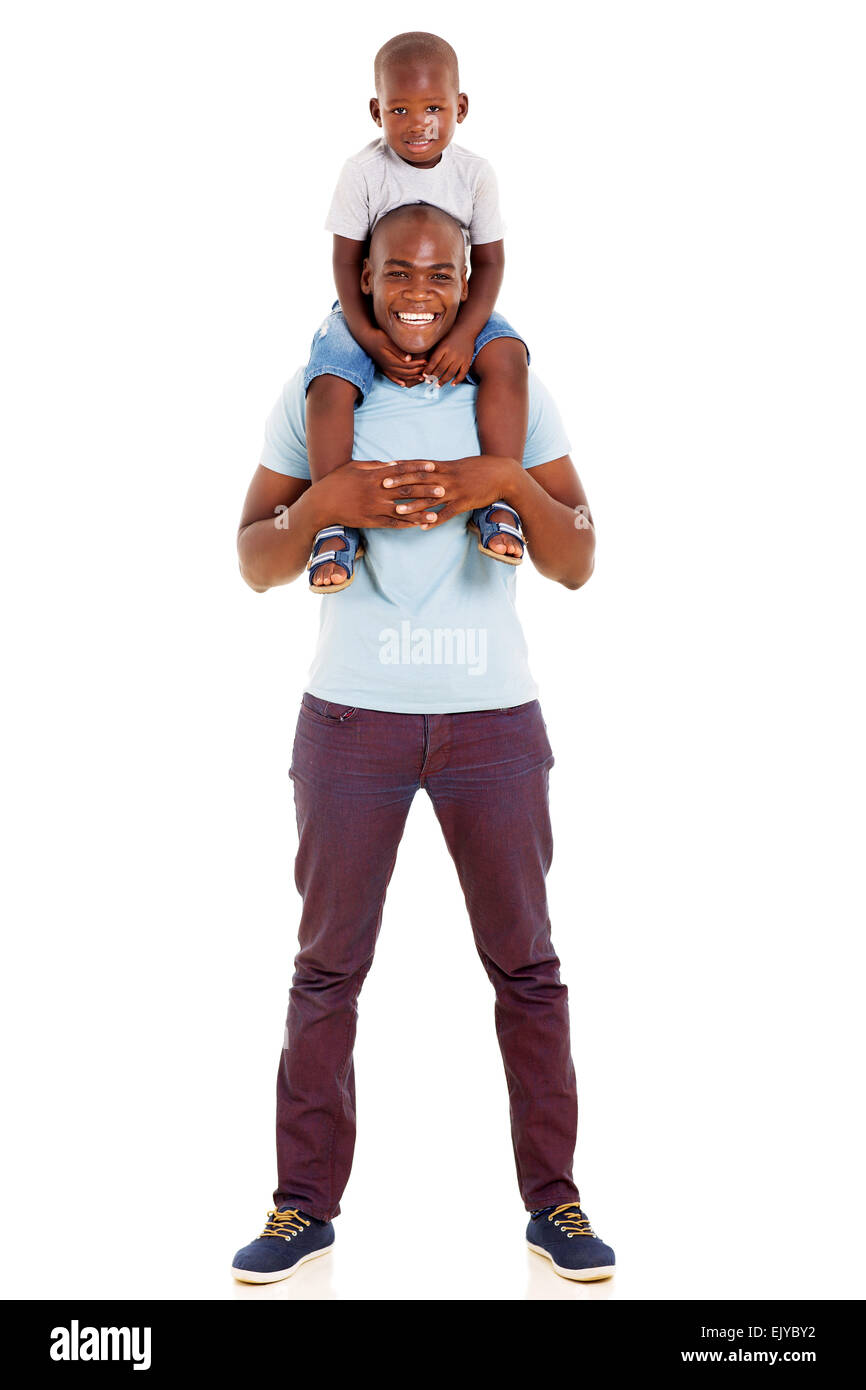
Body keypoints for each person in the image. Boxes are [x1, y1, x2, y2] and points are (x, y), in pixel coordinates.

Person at [231, 203, 615, 1286]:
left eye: (440, 273)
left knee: (528, 969)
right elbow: (253, 558)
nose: (416, 290)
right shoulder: (319, 401)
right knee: (326, 972)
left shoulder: (514, 396)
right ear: (358, 279)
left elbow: (579, 559)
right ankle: (302, 1209)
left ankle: (558, 1206)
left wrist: (501, 482)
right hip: (349, 722)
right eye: (394, 270)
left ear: (467, 283)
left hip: (493, 721)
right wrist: (327, 504)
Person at [305, 29, 530, 591]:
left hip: (459, 307)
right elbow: (346, 262)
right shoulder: (363, 173)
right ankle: (336, 525)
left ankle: (497, 500)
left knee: (506, 355)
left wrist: (465, 337)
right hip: (367, 305)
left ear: (461, 108)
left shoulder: (474, 175)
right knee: (329, 377)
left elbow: (492, 266)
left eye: (433, 108)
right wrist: (365, 334)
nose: (417, 123)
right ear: (377, 111)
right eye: (400, 109)